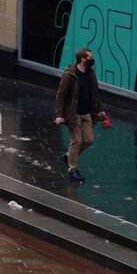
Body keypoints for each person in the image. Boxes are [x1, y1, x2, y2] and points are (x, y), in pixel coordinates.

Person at [54, 48, 108, 183]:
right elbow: (61, 96)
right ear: (82, 59)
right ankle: (72, 170)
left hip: (86, 113)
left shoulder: (91, 73)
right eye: (90, 57)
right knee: (76, 141)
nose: (92, 59)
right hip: (73, 114)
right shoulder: (70, 75)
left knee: (89, 140)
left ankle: (68, 156)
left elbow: (95, 93)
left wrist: (100, 109)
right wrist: (59, 114)